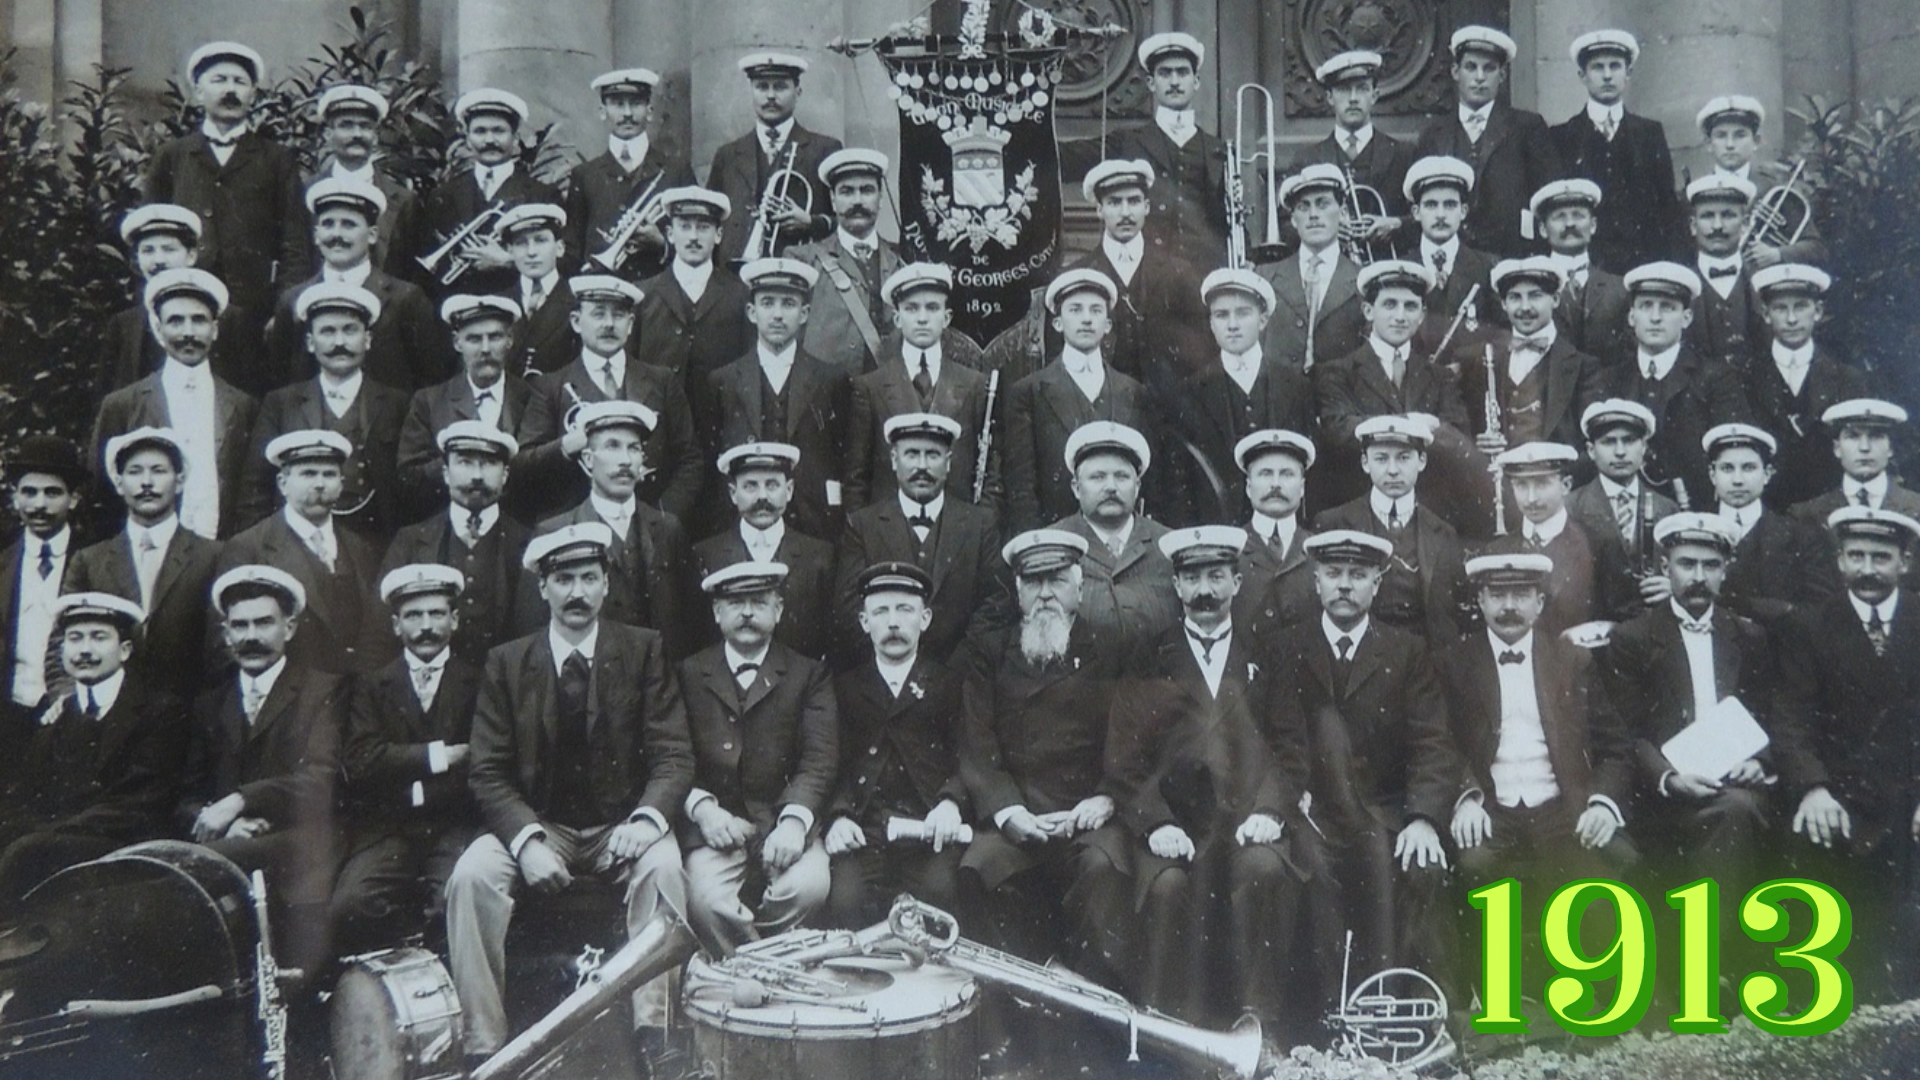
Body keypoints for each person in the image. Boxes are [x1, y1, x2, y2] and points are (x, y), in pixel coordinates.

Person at [445, 522, 693, 1063]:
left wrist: (647, 820)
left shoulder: (643, 650)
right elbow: (487, 770)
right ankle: (484, 1047)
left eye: (588, 577)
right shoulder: (508, 663)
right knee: (471, 877)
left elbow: (673, 754)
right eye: (563, 579)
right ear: (543, 588)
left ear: (606, 584)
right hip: (541, 824)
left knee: (665, 869)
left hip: (622, 827)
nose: (577, 592)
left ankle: (658, 1038)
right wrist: (528, 841)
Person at [1104, 525, 1304, 1028]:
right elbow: (1123, 760)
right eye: (1192, 578)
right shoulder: (1149, 654)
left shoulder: (1268, 652)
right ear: (1176, 587)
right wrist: (1156, 824)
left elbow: (1291, 748)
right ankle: (1171, 1031)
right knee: (1167, 887)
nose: (1205, 590)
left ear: (1238, 582)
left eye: (1216, 576)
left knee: (1264, 871)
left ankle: (1260, 1028)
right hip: (1175, 825)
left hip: (1245, 821)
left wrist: (1269, 811)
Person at [1269, 529, 1459, 1010]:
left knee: (1404, 861)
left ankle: (1398, 1008)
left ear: (1377, 583)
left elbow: (1432, 740)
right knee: (1313, 868)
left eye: (1358, 575)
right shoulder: (1289, 648)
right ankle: (1337, 1014)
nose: (1345, 585)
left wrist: (1423, 818)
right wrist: (1292, 800)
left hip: (1385, 809)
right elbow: (1277, 738)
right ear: (1316, 582)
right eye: (1334, 574)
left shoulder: (1405, 650)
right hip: (1312, 813)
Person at [1440, 552, 1635, 997]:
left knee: (1600, 873)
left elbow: (1615, 746)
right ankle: (1494, 1005)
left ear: (1540, 603)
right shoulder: (1452, 662)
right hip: (1492, 809)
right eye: (1497, 595)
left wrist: (1602, 802)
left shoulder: (1573, 661)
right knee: (1474, 867)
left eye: (1521, 595)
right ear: (1480, 601)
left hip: (1559, 807)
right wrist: (1465, 796)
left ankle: (1596, 1007)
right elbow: (1438, 743)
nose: (1509, 606)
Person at [1601, 513, 1776, 992]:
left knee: (1738, 809)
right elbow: (1625, 733)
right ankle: (1706, 975)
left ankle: (1710, 970)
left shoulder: (1749, 636)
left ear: (1725, 570)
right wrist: (1668, 777)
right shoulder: (1633, 638)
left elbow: (1770, 719)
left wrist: (1758, 761)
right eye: (1686, 564)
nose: (1698, 577)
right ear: (1666, 566)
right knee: (1731, 817)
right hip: (1662, 792)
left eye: (1710, 565)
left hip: (1733, 785)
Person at [954, 529, 1133, 991]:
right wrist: (1008, 811)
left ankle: (1097, 1024)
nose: (1046, 594)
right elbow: (976, 742)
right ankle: (1014, 1020)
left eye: (1056, 581)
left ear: (1079, 586)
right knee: (980, 868)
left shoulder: (1112, 647)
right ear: (1017, 591)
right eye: (1034, 583)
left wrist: (1107, 798)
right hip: (1018, 814)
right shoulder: (991, 652)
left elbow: (1133, 740)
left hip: (1088, 815)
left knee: (1101, 870)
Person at [1771, 506, 1920, 998]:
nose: (1868, 569)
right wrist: (1812, 787)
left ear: (1905, 562)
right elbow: (1791, 718)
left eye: (1881, 556)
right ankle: (1821, 996)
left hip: (1911, 794)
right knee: (1813, 841)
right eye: (1856, 556)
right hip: (1839, 792)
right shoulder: (1809, 625)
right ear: (1838, 561)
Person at [179, 565, 347, 979]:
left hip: (304, 843)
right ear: (225, 632)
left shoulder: (324, 690)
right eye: (240, 625)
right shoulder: (209, 702)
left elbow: (323, 780)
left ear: (289, 628)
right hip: (232, 845)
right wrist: (224, 825)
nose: (251, 636)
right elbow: (184, 797)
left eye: (264, 623)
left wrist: (241, 799)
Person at [679, 561, 837, 949]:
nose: (747, 612)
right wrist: (703, 810)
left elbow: (819, 758)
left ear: (779, 610)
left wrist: (795, 822)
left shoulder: (808, 674)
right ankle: (767, 965)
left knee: (810, 886)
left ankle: (749, 961)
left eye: (759, 602)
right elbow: (671, 753)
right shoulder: (687, 672)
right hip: (715, 825)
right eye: (735, 603)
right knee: (706, 900)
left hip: (781, 819)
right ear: (717, 613)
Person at [331, 564, 484, 955]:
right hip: (388, 829)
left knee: (453, 904)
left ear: (455, 619)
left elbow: (481, 760)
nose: (426, 626)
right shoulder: (371, 685)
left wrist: (401, 770)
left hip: (455, 828)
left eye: (436, 614)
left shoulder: (479, 681)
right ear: (396, 625)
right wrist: (441, 755)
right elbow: (362, 760)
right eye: (414, 616)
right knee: (351, 904)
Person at [0, 592, 188, 907]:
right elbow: (26, 792)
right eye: (75, 638)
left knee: (26, 852)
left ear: (125, 650)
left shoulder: (159, 711)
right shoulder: (56, 714)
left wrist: (46, 833)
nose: (85, 650)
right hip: (57, 839)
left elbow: (141, 802)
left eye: (99, 637)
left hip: (126, 842)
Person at [822, 561, 967, 927]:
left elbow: (972, 755)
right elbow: (827, 762)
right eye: (881, 611)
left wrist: (951, 801)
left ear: (926, 618)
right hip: (863, 828)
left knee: (942, 897)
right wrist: (838, 815)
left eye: (905, 610)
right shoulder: (843, 688)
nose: (893, 623)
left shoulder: (950, 684)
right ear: (864, 621)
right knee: (845, 903)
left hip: (930, 827)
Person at [142, 41, 309, 357]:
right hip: (185, 309)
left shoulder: (276, 158)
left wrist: (282, 310)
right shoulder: (173, 156)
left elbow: (295, 242)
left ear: (253, 94)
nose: (230, 90)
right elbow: (149, 237)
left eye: (239, 82)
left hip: (254, 315)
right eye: (219, 80)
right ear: (198, 93)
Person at [515, 274, 703, 523]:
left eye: (618, 315)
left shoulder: (662, 381)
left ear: (631, 323)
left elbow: (690, 460)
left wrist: (661, 519)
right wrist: (566, 446)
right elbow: (522, 465)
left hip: (646, 529)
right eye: (598, 314)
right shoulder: (550, 386)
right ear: (576, 322)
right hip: (576, 526)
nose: (609, 324)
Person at [92, 269, 259, 539]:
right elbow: (103, 493)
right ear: (158, 330)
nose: (188, 333)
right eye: (176, 321)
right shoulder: (123, 404)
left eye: (199, 320)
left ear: (215, 329)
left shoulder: (243, 405)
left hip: (223, 549)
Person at [832, 413, 1007, 667]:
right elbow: (849, 611)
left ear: (948, 462)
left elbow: (996, 603)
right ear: (894, 460)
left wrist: (957, 664)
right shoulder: (862, 526)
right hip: (887, 677)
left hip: (960, 675)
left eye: (933, 455)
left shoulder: (980, 524)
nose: (922, 466)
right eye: (912, 454)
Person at [243, 282, 410, 538]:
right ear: (310, 342)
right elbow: (256, 487)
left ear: (367, 340)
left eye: (350, 330)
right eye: (327, 332)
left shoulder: (397, 403)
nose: (339, 342)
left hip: (376, 541)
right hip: (298, 541)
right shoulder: (280, 403)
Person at [66, 428, 224, 699]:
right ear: (118, 483)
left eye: (159, 471)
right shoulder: (89, 561)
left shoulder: (213, 556)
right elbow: (62, 637)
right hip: (109, 716)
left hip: (190, 713)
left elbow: (224, 644)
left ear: (180, 480)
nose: (147, 482)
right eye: (135, 471)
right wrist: (66, 697)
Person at [700, 257, 850, 541]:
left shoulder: (831, 380)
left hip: (813, 521)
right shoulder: (724, 381)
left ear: (805, 313)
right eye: (768, 303)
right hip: (745, 521)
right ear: (751, 312)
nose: (778, 315)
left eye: (789, 304)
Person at [218, 430, 391, 675]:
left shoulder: (362, 548)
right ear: (283, 483)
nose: (319, 484)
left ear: (341, 484)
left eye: (329, 474)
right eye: (308, 473)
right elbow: (227, 644)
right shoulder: (249, 548)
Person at [536, 401, 697, 660]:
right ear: (588, 460)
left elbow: (692, 624)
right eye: (612, 446)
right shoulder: (556, 532)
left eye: (633, 448)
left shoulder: (668, 528)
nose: (625, 460)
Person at [1312, 259, 1472, 517]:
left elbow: (1458, 437)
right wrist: (1413, 422)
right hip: (1358, 511)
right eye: (1389, 304)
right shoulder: (1337, 373)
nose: (1400, 316)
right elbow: (1338, 433)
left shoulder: (1440, 376)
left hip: (1430, 513)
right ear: (1367, 311)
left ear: (1421, 316)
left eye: (1410, 306)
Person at [1002, 269, 1155, 533]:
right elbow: (1022, 488)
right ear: (1057, 323)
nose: (1086, 319)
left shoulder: (1133, 391)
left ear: (1107, 324)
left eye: (1096, 310)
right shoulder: (1029, 392)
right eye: (1075, 310)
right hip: (1056, 538)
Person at [264, 176, 446, 392]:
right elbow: (281, 382)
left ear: (372, 235)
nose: (336, 235)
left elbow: (431, 381)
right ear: (315, 235)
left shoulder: (406, 299)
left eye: (349, 224)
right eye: (328, 224)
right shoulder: (293, 300)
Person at [844, 263, 999, 512]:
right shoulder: (869, 386)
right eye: (911, 308)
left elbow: (992, 475)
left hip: (958, 533)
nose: (922, 318)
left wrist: (980, 529)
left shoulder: (975, 384)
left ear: (946, 318)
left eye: (932, 307)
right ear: (897, 318)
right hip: (888, 533)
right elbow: (856, 480)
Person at [382, 422, 535, 665]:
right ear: (445, 472)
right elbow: (381, 632)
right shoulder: (410, 540)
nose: (477, 475)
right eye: (465, 462)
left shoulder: (529, 543)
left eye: (489, 463)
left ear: (505, 475)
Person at [1173, 268, 1316, 525]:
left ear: (1262, 320)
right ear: (1211, 324)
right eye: (1221, 315)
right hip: (1217, 526)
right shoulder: (1190, 392)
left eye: (1243, 313)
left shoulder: (1296, 386)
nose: (1232, 325)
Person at [1314, 415, 1471, 644]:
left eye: (1404, 458)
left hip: (1425, 661)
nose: (1393, 470)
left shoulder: (1443, 532)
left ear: (1422, 461)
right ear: (1365, 463)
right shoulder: (1333, 523)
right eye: (1381, 459)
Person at [1063, 158, 1210, 393]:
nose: (1125, 213)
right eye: (1114, 202)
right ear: (1099, 210)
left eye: (1133, 202)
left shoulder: (1179, 273)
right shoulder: (1078, 276)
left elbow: (1200, 355)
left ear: (1147, 207)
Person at [1415, 26, 1562, 258]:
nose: (1480, 78)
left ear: (1502, 76)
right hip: (1456, 261)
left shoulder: (1527, 127)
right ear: (1455, 71)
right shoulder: (1434, 134)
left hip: (1513, 255)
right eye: (1471, 67)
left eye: (1489, 69)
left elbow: (1548, 200)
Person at [1618, 261, 1753, 504]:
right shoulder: (1612, 379)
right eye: (1646, 306)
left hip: (1694, 507)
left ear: (1687, 318)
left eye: (1668, 308)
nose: (1656, 318)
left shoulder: (1715, 378)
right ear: (1631, 316)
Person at [1548, 31, 1683, 272]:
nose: (1608, 75)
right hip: (1587, 270)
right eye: (1597, 68)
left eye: (1615, 66)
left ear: (1628, 73)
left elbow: (1667, 208)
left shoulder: (1649, 133)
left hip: (1643, 264)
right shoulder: (1561, 136)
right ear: (1583, 75)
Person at [1048, 421, 1180, 660]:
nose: (1111, 487)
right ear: (1076, 488)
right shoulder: (1053, 545)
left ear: (1137, 486)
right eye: (1097, 477)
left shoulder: (1169, 546)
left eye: (1121, 476)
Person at [692, 442, 835, 661]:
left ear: (789, 490)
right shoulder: (706, 555)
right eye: (750, 486)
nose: (762, 497)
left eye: (772, 485)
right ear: (733, 493)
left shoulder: (819, 556)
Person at [1746, 263, 1872, 510]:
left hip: (1828, 511)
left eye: (1801, 307)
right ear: (1765, 313)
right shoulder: (1744, 376)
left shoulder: (1848, 379)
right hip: (1766, 512)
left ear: (1818, 311)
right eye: (1781, 308)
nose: (1791, 319)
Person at [395, 294, 532, 516]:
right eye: (474, 339)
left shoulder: (530, 397)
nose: (485, 349)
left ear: (509, 340)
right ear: (457, 343)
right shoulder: (429, 401)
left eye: (495, 337)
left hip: (515, 526)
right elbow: (409, 477)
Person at [1461, 256, 1611, 458]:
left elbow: (1593, 445)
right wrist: (1477, 447)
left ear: (1556, 299)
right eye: (1515, 297)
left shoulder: (1584, 367)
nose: (1525, 307)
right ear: (1503, 304)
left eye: (1535, 296)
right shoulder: (1482, 359)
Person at [416, 88, 558, 300]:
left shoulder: (543, 194)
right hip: (457, 309)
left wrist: (508, 260)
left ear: (515, 136)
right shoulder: (442, 195)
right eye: (480, 131)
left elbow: (563, 262)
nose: (489, 140)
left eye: (499, 131)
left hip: (518, 310)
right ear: (467, 138)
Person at [95, 205, 253, 396]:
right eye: (148, 251)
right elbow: (106, 403)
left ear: (191, 256)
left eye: (169, 249)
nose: (158, 260)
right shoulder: (123, 324)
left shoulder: (231, 319)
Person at [1106, 32, 1230, 266]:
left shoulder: (1217, 149)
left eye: (1182, 72)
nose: (1174, 82)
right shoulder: (1128, 141)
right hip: (1147, 271)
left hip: (1203, 273)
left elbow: (1230, 217)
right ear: (1151, 83)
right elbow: (1070, 155)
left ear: (1196, 81)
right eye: (1165, 73)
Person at [1488, 441, 1635, 637]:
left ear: (1566, 486)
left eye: (1542, 484)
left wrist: (1598, 632)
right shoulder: (1497, 551)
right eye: (1521, 485)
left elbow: (1628, 618)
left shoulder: (1597, 544)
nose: (1531, 498)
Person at [565, 67, 695, 282]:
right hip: (604, 293)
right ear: (602, 111)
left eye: (635, 104)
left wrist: (662, 244)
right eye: (617, 104)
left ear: (650, 111)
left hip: (660, 296)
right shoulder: (585, 175)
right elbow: (573, 250)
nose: (627, 113)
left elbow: (696, 238)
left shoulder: (676, 171)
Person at [708, 52, 840, 264]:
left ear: (798, 91)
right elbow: (710, 222)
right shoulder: (727, 155)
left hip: (799, 273)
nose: (770, 96)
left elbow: (847, 222)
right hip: (734, 280)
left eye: (780, 87)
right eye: (762, 87)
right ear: (751, 91)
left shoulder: (825, 150)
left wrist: (811, 222)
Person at [1703, 423, 1834, 630]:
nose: (1737, 480)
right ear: (1712, 474)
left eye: (1749, 468)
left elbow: (1818, 612)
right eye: (1727, 468)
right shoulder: (1696, 529)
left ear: (1767, 474)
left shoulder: (1799, 534)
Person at [789, 149, 902, 374]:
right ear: (832, 200)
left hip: (887, 399)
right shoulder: (802, 260)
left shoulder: (900, 262)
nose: (857, 201)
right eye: (847, 192)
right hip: (827, 399)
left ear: (880, 198)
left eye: (867, 190)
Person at [1292, 50, 1415, 257]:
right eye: (1343, 90)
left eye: (1362, 89)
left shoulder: (1404, 154)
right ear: (1330, 97)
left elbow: (1424, 217)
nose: (1353, 99)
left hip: (1389, 267)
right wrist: (1322, 229)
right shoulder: (1307, 160)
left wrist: (1396, 224)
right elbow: (1287, 225)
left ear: (1374, 96)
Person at [1, 437, 89, 720]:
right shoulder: (4, 556)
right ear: (15, 497)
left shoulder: (95, 559)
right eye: (29, 492)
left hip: (68, 712)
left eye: (52, 493)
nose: (39, 504)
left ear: (73, 499)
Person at [634, 188, 755, 383]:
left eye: (703, 227)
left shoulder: (740, 295)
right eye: (684, 226)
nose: (693, 237)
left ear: (719, 235)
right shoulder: (642, 295)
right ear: (670, 234)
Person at [1254, 164, 1367, 372]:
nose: (1313, 215)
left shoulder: (1362, 280)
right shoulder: (1265, 276)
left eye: (1323, 204)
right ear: (1294, 220)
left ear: (1342, 213)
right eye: (1303, 207)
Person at [1695, 94, 1827, 269]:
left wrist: (1778, 254)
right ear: (1708, 144)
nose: (1730, 144)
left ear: (1756, 141)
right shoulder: (1693, 194)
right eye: (1721, 136)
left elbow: (1817, 249)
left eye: (1740, 135)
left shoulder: (1776, 191)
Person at [1568, 399, 1679, 604]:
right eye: (1609, 442)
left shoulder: (1668, 509)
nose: (1620, 452)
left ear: (1644, 447)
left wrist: (1676, 586)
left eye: (1629, 441)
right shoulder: (1570, 507)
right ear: (1591, 450)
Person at [307, 85, 419, 277]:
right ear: (328, 135)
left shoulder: (402, 199)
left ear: (375, 137)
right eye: (346, 125)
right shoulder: (304, 192)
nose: (357, 134)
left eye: (365, 126)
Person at [1402, 155, 1498, 365]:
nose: (1440, 215)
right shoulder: (1403, 268)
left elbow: (1499, 338)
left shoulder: (1487, 267)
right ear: (1416, 213)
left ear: (1463, 211)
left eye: (1450, 205)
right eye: (1431, 205)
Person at [1530, 179, 1632, 365]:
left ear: (1593, 225)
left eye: (1578, 215)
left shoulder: (1619, 289)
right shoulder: (1530, 289)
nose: (1570, 224)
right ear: (1543, 229)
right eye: (1559, 216)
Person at [1233, 429, 1321, 639]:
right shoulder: (1230, 549)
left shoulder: (1318, 550)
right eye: (1265, 473)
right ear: (1248, 487)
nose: (1275, 484)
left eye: (1286, 474)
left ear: (1302, 487)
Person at [1683, 174, 1768, 370]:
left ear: (1745, 224)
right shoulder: (1681, 288)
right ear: (1693, 226)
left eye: (1728, 215)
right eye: (1707, 216)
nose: (1718, 226)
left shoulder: (1764, 282)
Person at [1791, 399, 1920, 524]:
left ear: (1891, 448)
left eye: (1875, 436)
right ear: (1837, 448)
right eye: (1852, 436)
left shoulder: (1916, 508)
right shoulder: (1807, 515)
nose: (1864, 447)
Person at [494, 203, 578, 378]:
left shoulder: (578, 302)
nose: (531, 252)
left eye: (540, 240)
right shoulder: (497, 303)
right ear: (510, 251)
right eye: (521, 243)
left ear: (560, 248)